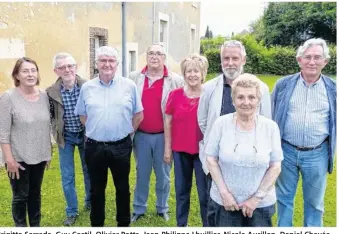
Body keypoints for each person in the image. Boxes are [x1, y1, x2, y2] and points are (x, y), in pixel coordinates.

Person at [74, 46, 144, 227]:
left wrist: (126, 134)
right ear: (96, 64)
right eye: (103, 60)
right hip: (94, 147)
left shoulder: (129, 86)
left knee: (122, 188)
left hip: (121, 145)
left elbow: (138, 115)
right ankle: (97, 225)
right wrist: (98, 130)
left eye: (111, 61)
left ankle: (123, 225)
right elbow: (83, 117)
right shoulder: (87, 88)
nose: (107, 64)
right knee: (96, 189)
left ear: (117, 64)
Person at [272, 38, 336, 227]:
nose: (312, 62)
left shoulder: (333, 88)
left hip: (317, 153)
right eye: (307, 57)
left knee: (315, 204)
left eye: (317, 57)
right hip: (287, 151)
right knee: (284, 200)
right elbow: (270, 116)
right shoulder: (283, 85)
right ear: (299, 60)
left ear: (325, 61)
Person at [205, 74, 283, 227]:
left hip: (260, 205)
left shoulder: (270, 127)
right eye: (240, 97)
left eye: (251, 97)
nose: (246, 102)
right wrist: (225, 194)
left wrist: (257, 198)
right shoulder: (221, 124)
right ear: (233, 100)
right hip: (225, 203)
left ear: (258, 100)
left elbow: (275, 165)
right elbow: (211, 159)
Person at [198, 40, 271, 192]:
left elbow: (266, 123)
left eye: (235, 58)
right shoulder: (209, 88)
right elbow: (203, 121)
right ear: (221, 60)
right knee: (214, 204)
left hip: (249, 158)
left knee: (245, 201)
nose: (230, 63)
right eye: (226, 58)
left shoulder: (261, 88)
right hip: (216, 158)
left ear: (243, 60)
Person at [129, 43, 184, 222]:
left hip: (164, 136)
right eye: (151, 53)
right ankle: (139, 208)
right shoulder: (134, 77)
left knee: (163, 175)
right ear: (146, 57)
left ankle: (162, 208)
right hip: (141, 135)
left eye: (159, 54)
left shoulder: (175, 80)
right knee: (142, 173)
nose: (154, 57)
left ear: (164, 58)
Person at [0, 57, 51, 227]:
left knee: (35, 194)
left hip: (39, 156)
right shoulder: (8, 97)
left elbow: (45, 126)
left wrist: (47, 153)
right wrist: (9, 160)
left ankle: (35, 227)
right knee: (21, 196)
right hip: (18, 158)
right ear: (17, 75)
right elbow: (3, 132)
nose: (30, 74)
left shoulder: (44, 95)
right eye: (25, 71)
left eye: (33, 70)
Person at [164, 54, 209, 227]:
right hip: (180, 151)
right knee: (182, 192)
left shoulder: (208, 94)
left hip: (203, 152)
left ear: (203, 73)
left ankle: (208, 226)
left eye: (196, 71)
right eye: (189, 71)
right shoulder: (174, 95)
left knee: (204, 194)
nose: (192, 75)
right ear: (184, 73)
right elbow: (168, 122)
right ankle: (181, 225)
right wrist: (168, 149)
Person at [46, 52, 91, 226]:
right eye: (62, 67)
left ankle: (90, 201)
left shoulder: (88, 86)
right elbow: (50, 116)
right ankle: (72, 211)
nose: (67, 70)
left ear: (75, 67)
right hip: (65, 137)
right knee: (67, 176)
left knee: (89, 170)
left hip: (86, 135)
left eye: (70, 66)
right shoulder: (51, 92)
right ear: (56, 70)